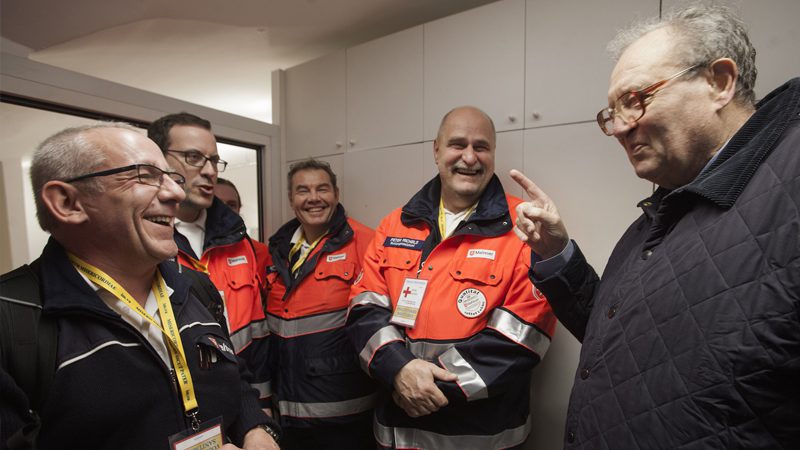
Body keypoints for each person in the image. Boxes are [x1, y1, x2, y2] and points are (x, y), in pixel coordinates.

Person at [512, 5, 800, 448]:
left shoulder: (788, 187)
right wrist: (558, 254)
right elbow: (622, 340)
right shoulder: (663, 211)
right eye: (612, 113)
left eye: (636, 100)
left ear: (718, 83)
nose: (621, 128)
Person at [0, 123, 279, 449]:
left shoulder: (194, 288)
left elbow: (234, 379)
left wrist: (257, 430)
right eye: (145, 175)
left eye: (172, 178)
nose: (176, 193)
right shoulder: (11, 319)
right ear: (67, 202)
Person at [346, 106, 557, 449]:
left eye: (482, 147)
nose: (470, 157)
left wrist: (424, 389)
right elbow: (364, 308)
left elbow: (523, 335)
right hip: (396, 435)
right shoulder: (394, 225)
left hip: (481, 436)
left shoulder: (525, 228)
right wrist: (398, 369)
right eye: (458, 144)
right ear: (436, 150)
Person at [147, 113, 270, 404]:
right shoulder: (145, 241)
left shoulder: (238, 241)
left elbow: (258, 337)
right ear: (157, 160)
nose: (209, 171)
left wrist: (262, 405)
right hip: (181, 406)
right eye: (193, 157)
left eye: (214, 160)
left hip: (245, 401)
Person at [259, 159, 377, 449]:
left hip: (345, 416)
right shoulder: (276, 250)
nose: (313, 198)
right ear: (291, 199)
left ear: (336, 194)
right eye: (303, 190)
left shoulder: (366, 242)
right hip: (287, 413)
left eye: (322, 189)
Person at [215, 177, 271, 281]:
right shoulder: (188, 250)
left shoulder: (260, 252)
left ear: (239, 209)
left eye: (231, 205)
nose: (225, 210)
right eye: (217, 203)